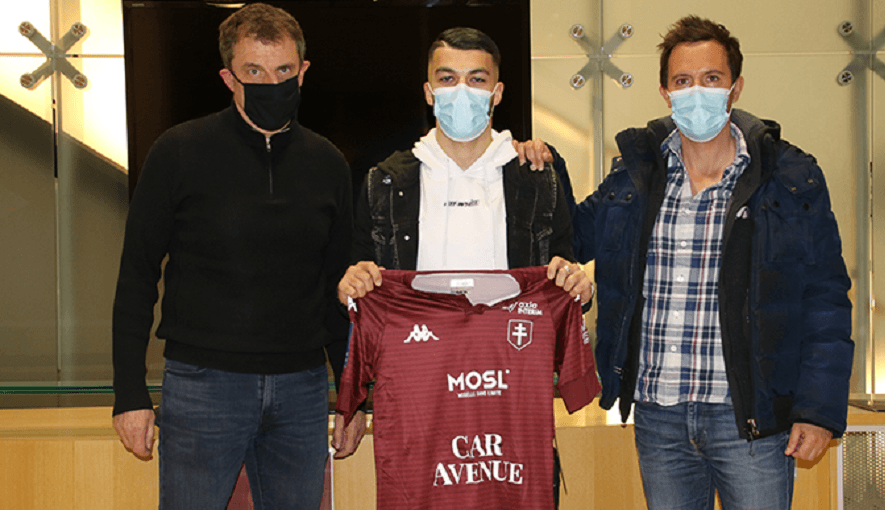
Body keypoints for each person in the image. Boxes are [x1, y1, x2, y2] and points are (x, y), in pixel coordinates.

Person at [564, 15, 854, 510]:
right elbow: (565, 236)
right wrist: (537, 163)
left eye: (711, 78)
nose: (696, 92)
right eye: (682, 81)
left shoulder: (788, 177)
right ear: (665, 92)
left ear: (735, 87)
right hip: (659, 416)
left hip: (750, 419)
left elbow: (825, 297)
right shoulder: (634, 176)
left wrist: (818, 410)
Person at [111, 4, 360, 508]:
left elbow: (340, 289)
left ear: (303, 72)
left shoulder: (328, 162)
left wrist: (351, 396)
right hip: (203, 387)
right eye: (254, 72)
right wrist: (129, 393)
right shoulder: (178, 151)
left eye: (284, 71)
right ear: (228, 78)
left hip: (303, 389)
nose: (272, 84)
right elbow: (136, 275)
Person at [332, 27, 593, 457]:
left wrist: (579, 288)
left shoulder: (536, 180)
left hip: (512, 388)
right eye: (448, 79)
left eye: (476, 79)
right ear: (429, 91)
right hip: (418, 391)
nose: (461, 92)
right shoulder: (385, 183)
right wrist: (351, 290)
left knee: (516, 487)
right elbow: (361, 295)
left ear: (497, 92)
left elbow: (561, 282)